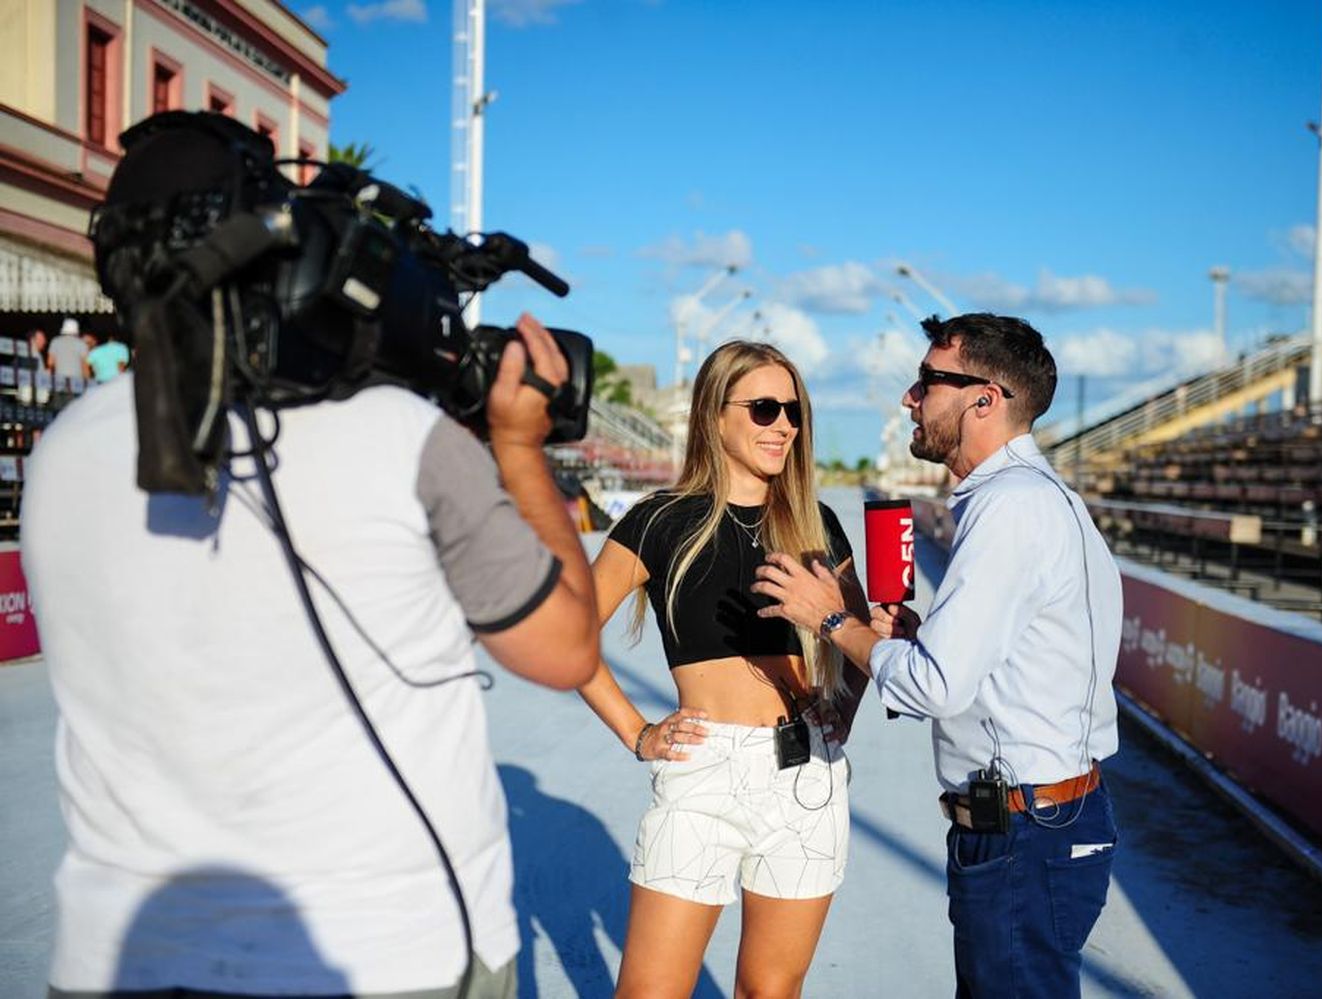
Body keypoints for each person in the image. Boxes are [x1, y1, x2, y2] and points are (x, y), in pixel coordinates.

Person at [22, 114, 600, 998]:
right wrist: (518, 446)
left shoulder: (61, 449)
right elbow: (565, 650)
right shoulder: (399, 436)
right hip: (387, 951)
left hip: (119, 956)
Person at [752, 314, 1123, 999]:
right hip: (1041, 821)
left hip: (1022, 832)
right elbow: (1009, 661)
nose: (908, 398)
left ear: (986, 398)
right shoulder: (1036, 497)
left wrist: (831, 617)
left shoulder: (1009, 507)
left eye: (928, 380)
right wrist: (917, 636)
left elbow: (933, 687)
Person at [577, 340, 869, 998]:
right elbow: (569, 636)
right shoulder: (659, 520)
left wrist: (840, 714)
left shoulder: (815, 523)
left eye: (793, 410)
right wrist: (636, 731)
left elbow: (862, 639)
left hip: (805, 778)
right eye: (765, 408)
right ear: (714, 413)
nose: (784, 425)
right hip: (701, 774)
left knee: (770, 992)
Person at [47, 317, 89, 388]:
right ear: (76, 331)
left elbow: (50, 362)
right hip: (77, 383)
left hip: (59, 382)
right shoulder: (82, 344)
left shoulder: (55, 342)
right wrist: (87, 382)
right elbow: (85, 366)